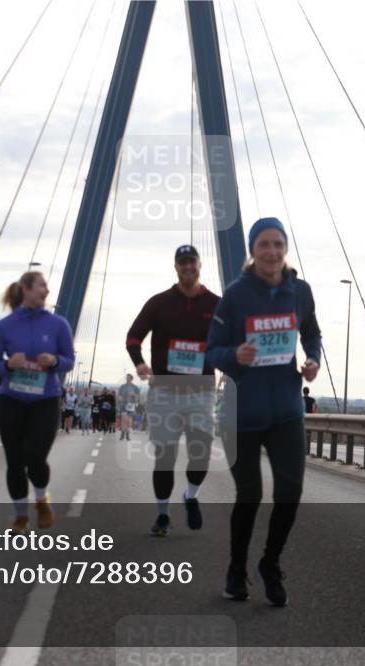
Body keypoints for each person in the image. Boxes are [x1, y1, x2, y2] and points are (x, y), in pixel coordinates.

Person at [207, 218, 322, 607]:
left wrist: (312, 360)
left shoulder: (300, 292)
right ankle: (236, 569)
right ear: (252, 251)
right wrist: (233, 355)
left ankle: (270, 564)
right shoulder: (236, 295)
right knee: (250, 494)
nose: (271, 252)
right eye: (263, 245)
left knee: (290, 492)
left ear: (285, 248)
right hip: (241, 412)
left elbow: (312, 333)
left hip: (287, 410)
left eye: (277, 244)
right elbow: (212, 349)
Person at [126, 244, 221, 537]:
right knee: (165, 456)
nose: (188, 267)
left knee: (201, 451)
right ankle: (163, 515)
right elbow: (133, 338)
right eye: (182, 263)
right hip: (165, 390)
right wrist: (140, 363)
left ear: (200, 265)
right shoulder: (159, 303)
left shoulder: (217, 304)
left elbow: (233, 340)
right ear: (176, 267)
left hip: (201, 391)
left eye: (192, 262)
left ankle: (190, 496)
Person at [0, 271, 74, 534]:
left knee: (35, 457)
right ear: (25, 289)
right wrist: (7, 365)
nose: (46, 291)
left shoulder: (59, 324)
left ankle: (42, 500)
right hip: (12, 399)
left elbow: (68, 358)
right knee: (14, 461)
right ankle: (21, 516)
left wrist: (56, 362)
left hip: (45, 400)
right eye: (41, 286)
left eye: (46, 286)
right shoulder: (5, 326)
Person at [117, 374, 141, 441]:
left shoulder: (135, 387)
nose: (127, 379)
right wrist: (119, 398)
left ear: (131, 379)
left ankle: (127, 434)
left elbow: (139, 396)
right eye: (126, 378)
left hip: (131, 405)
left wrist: (134, 395)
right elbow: (119, 394)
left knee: (128, 421)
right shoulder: (122, 386)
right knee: (123, 419)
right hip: (123, 405)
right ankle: (122, 433)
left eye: (128, 378)